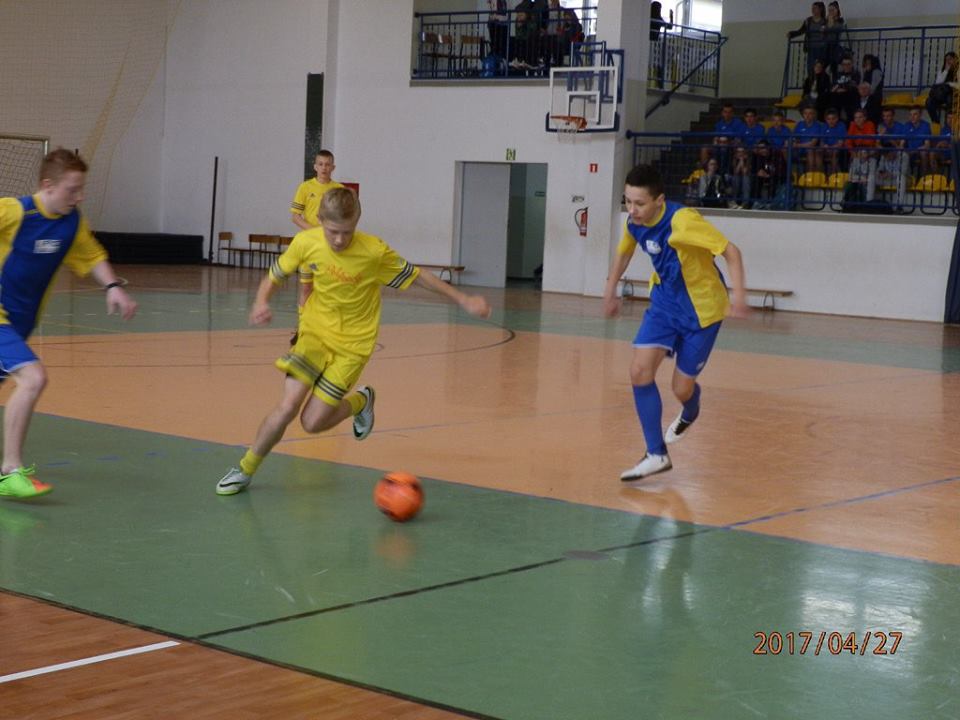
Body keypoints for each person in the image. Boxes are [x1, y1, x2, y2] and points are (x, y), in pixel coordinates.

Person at [215, 188, 490, 496]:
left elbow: (419, 276)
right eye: (333, 231)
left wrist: (463, 299)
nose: (339, 240)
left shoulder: (373, 252)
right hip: (314, 335)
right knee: (288, 406)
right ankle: (245, 469)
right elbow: (275, 276)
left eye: (347, 232)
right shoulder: (306, 242)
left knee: (312, 423)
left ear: (357, 221)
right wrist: (261, 301)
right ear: (320, 220)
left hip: (353, 347)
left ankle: (361, 401)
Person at [0, 149, 137, 500]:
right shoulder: (15, 211)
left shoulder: (71, 223)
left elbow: (92, 255)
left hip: (20, 324)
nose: (80, 197)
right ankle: (10, 472)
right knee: (33, 378)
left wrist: (112, 287)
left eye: (81, 189)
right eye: (72, 189)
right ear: (48, 185)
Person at [603, 164, 748, 481]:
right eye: (627, 201)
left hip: (702, 310)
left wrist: (739, 296)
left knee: (681, 388)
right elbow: (624, 253)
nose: (632, 210)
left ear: (660, 200)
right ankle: (656, 454)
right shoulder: (634, 223)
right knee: (639, 371)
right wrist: (610, 289)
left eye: (639, 203)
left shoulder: (683, 222)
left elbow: (731, 252)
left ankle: (691, 410)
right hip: (664, 305)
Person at [289, 150, 344, 344]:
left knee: (329, 289)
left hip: (330, 248)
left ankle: (327, 329)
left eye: (327, 164)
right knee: (306, 287)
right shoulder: (305, 188)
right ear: (315, 166)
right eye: (320, 164)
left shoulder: (338, 190)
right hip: (310, 246)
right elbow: (295, 216)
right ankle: (302, 327)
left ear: (333, 167)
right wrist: (315, 230)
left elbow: (344, 216)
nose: (324, 168)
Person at [787, 2, 827, 79]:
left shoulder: (825, 21)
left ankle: (820, 84)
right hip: (811, 48)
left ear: (820, 9)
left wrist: (825, 31)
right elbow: (801, 31)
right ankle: (811, 83)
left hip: (821, 48)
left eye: (815, 8)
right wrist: (791, 34)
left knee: (820, 68)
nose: (813, 10)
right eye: (812, 8)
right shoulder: (808, 21)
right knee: (810, 68)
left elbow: (828, 33)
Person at [925, 51, 958, 125]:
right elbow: (938, 82)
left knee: (950, 98)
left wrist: (949, 84)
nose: (948, 61)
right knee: (929, 102)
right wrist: (946, 70)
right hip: (941, 95)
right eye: (946, 60)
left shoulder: (958, 70)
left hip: (953, 94)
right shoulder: (942, 71)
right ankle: (936, 122)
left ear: (955, 59)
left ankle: (950, 123)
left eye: (950, 59)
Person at [649, 2, 674, 87]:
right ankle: (659, 84)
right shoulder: (652, 17)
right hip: (650, 44)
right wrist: (671, 17)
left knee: (659, 64)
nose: (659, 10)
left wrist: (671, 17)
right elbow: (669, 26)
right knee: (657, 64)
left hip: (655, 45)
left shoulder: (658, 18)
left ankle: (659, 84)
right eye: (659, 8)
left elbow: (669, 27)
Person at [823, 1, 846, 74]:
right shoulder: (826, 21)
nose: (831, 12)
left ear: (837, 10)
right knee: (823, 65)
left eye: (832, 10)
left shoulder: (841, 20)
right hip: (827, 47)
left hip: (836, 47)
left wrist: (830, 24)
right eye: (829, 10)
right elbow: (823, 31)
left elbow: (837, 29)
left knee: (834, 66)